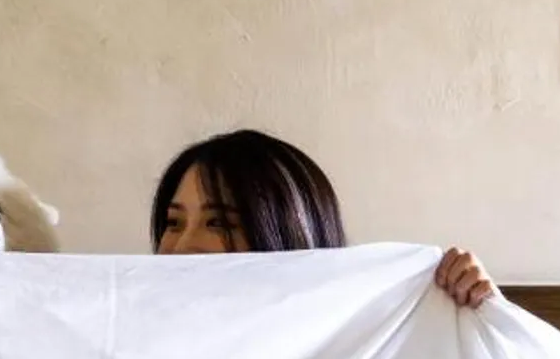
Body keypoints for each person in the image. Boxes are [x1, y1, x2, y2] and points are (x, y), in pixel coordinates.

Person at [151, 129, 496, 308]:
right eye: (173, 223)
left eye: (219, 223)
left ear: (289, 235)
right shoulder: (137, 341)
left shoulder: (356, 346)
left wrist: (477, 313)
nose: (181, 247)